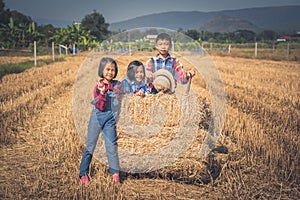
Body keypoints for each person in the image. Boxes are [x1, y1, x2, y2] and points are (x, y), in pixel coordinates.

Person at [79, 57, 123, 186]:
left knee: (111, 146)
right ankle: (83, 173)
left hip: (110, 119)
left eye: (113, 70)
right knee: (90, 146)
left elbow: (121, 96)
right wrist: (103, 93)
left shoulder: (117, 84)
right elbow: (101, 106)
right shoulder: (98, 87)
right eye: (107, 69)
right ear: (102, 70)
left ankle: (115, 175)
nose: (110, 72)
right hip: (97, 118)